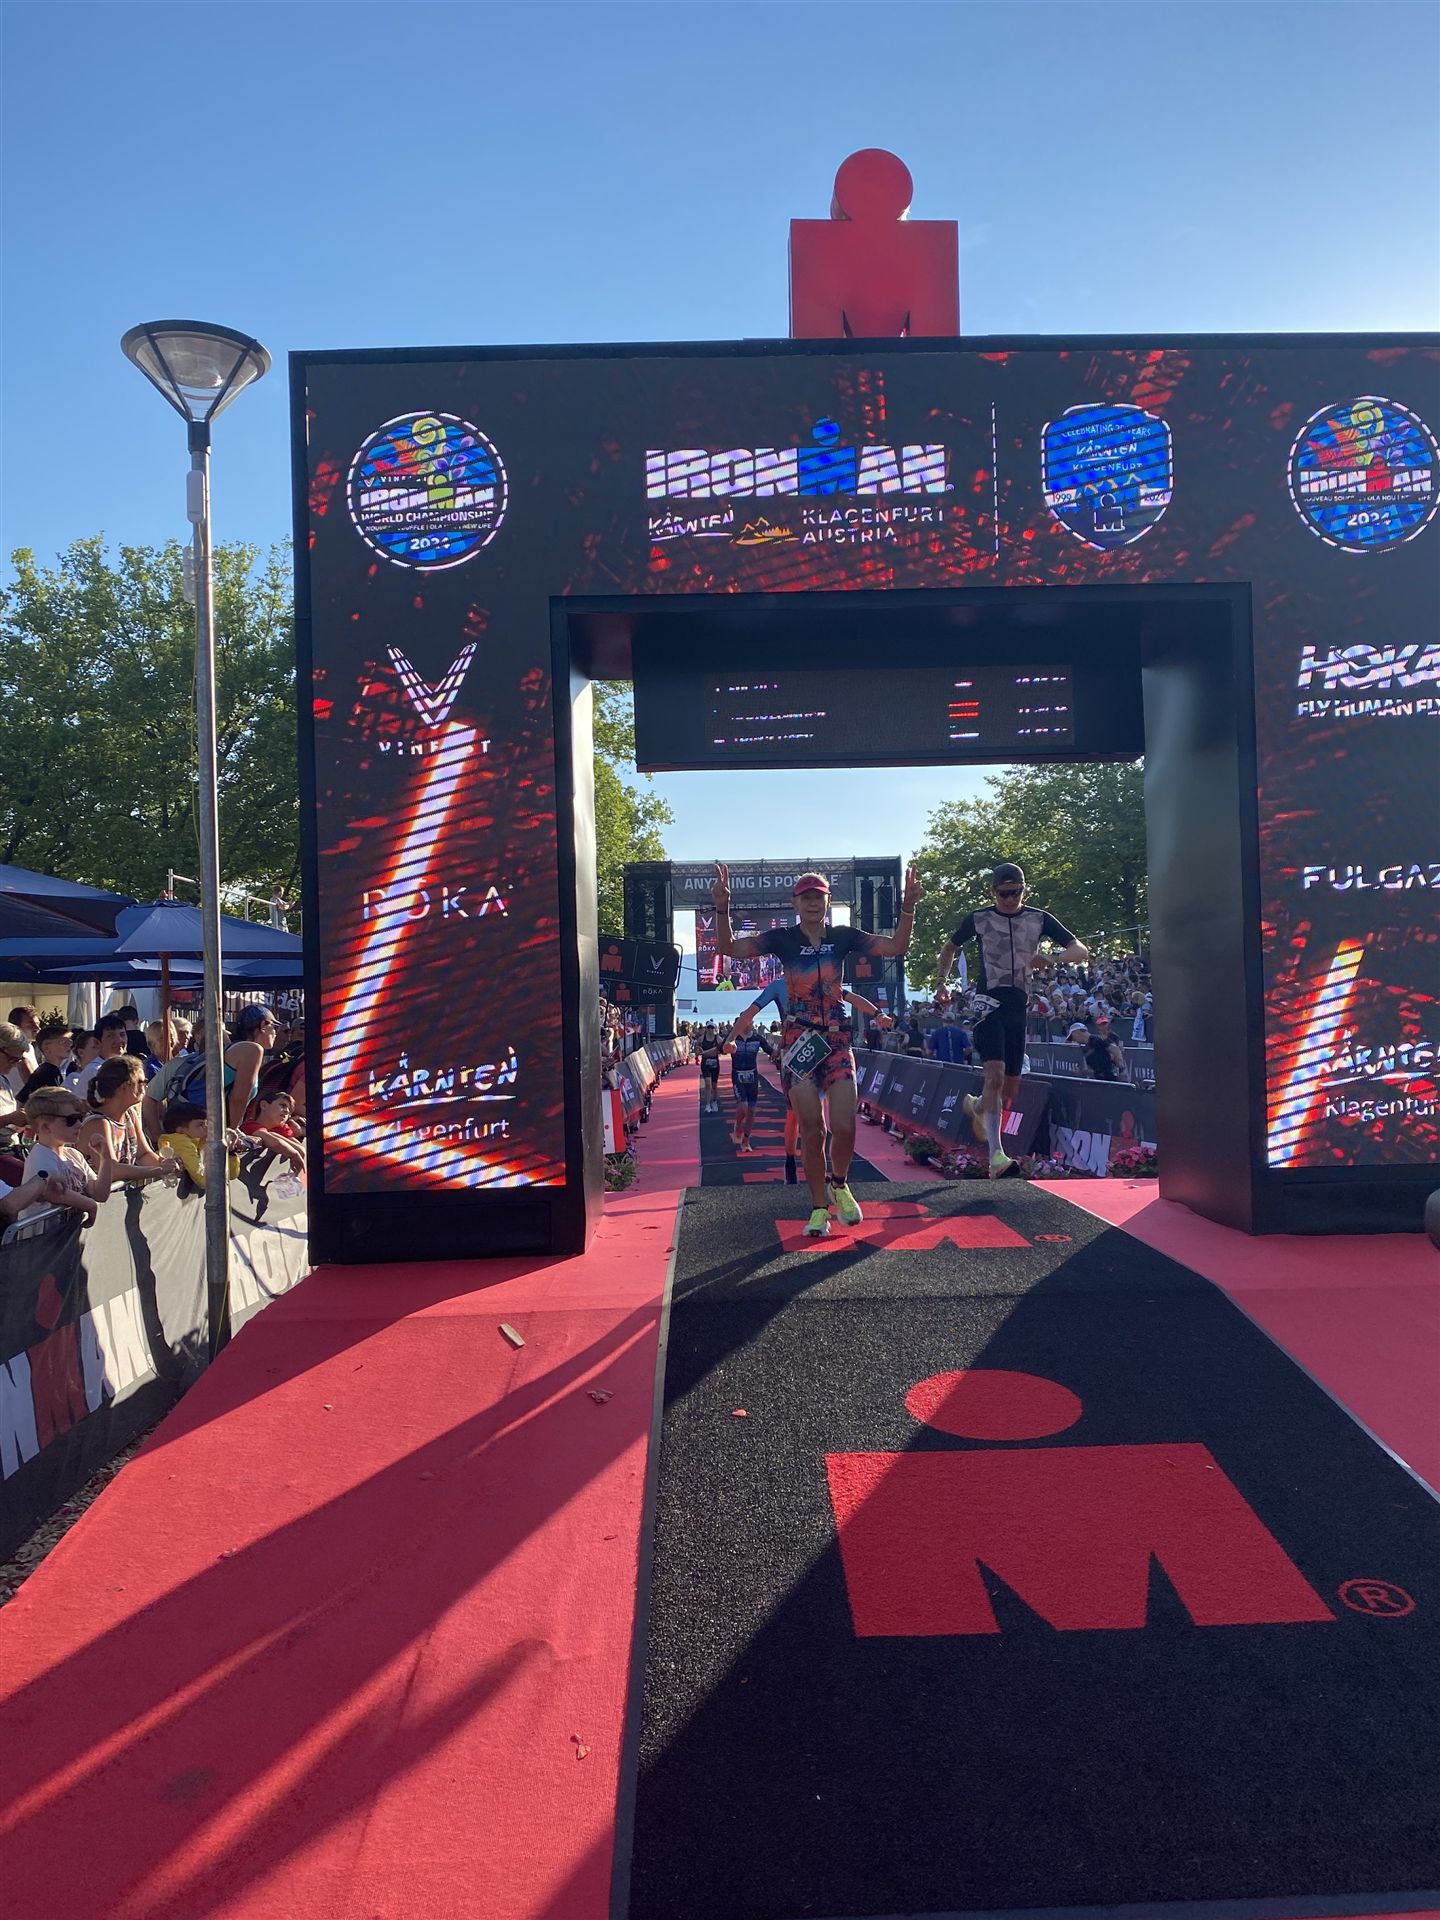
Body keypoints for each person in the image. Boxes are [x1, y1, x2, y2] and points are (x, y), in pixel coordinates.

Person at [713, 863, 920, 1236]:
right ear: (795, 903)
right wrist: (722, 908)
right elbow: (730, 948)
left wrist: (908, 908)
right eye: (805, 897)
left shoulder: (843, 936)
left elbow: (896, 946)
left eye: (818, 897)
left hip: (837, 1040)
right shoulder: (782, 940)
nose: (812, 903)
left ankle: (839, 1183)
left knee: (844, 1126)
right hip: (799, 1042)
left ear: (828, 902)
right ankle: (818, 1208)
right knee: (812, 1130)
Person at [935, 863, 1088, 1179]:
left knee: (1009, 1088)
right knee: (994, 1074)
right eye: (1004, 893)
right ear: (993, 892)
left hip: (1019, 1006)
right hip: (987, 1003)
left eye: (1016, 892)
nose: (1010, 899)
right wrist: (941, 982)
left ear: (1024, 889)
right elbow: (949, 947)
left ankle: (978, 1106)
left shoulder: (1038, 918)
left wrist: (1053, 959)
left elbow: (1080, 950)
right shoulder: (978, 918)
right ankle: (996, 1156)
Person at [741, 976, 888, 1182]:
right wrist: (731, 1038)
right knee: (794, 1115)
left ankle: (828, 1173)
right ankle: (790, 1161)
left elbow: (849, 996)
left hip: (826, 1049)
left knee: (821, 1116)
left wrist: (878, 1013)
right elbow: (751, 1010)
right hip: (795, 1051)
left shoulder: (822, 980)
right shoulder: (777, 986)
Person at [19, 1087, 112, 1223]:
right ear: (45, 1127)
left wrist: (106, 1158)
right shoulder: (40, 1158)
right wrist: (90, 1205)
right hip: (45, 1235)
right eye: (71, 1119)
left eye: (80, 1117)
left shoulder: (74, 1155)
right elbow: (55, 1193)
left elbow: (100, 1194)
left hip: (67, 1234)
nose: (79, 1124)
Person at [78, 1056, 175, 1183]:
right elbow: (111, 1170)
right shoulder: (98, 1123)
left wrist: (167, 1165)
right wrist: (158, 1170)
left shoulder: (130, 1115)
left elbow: (143, 1155)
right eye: (142, 1082)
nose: (146, 1086)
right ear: (124, 1087)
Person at [722, 1008, 778, 1154]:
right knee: (743, 1106)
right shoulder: (733, 1038)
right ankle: (738, 1124)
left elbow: (772, 1052)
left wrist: (783, 1049)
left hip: (752, 1076)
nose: (749, 1024)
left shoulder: (758, 1039)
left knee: (752, 1112)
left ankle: (746, 1140)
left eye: (750, 1021)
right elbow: (720, 1049)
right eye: (746, 1021)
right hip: (738, 1075)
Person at [159, 1099, 240, 1191]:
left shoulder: (198, 1140)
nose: (207, 1128)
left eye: (206, 1123)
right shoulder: (180, 1142)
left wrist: (230, 1149)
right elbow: (204, 1181)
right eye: (200, 1125)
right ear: (180, 1130)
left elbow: (231, 1175)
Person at [240, 1088, 306, 1171]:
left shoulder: (281, 1129)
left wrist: (274, 1135)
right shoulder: (250, 1125)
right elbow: (271, 1141)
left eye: (289, 1111)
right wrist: (293, 1154)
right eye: (283, 1105)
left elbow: (301, 1150)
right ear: (264, 1105)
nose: (287, 1111)